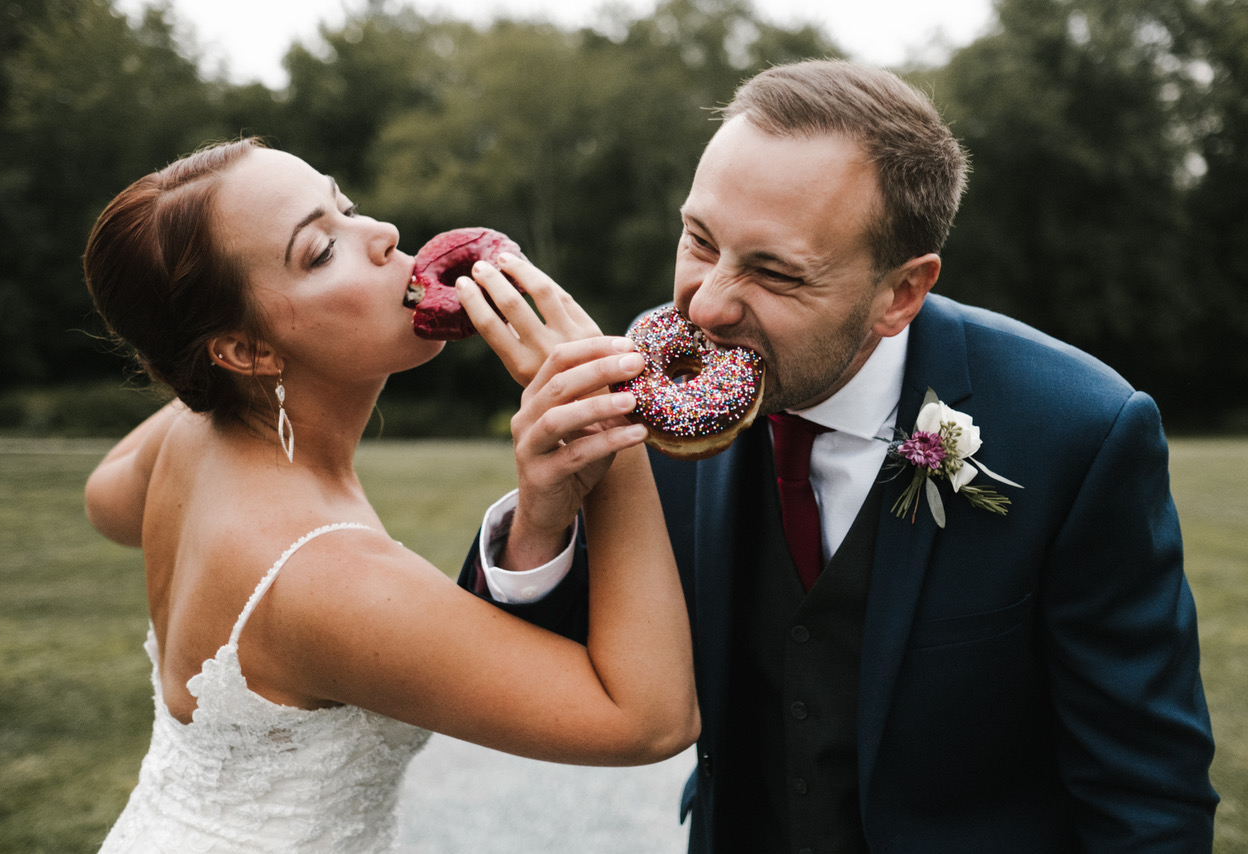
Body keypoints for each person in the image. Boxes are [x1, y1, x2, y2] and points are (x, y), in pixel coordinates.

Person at [458, 59, 1219, 852]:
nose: (707, 303)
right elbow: (527, 678)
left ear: (900, 294)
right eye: (698, 239)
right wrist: (542, 518)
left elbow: (1147, 795)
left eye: (775, 272)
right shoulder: (644, 404)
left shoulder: (1078, 432)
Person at [81, 138, 699, 852]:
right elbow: (648, 720)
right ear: (247, 351)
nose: (383, 235)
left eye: (345, 206)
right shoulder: (323, 576)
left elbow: (105, 502)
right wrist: (606, 414)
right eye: (320, 250)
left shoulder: (191, 436)